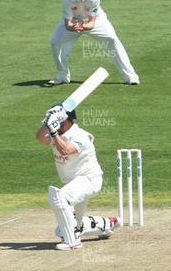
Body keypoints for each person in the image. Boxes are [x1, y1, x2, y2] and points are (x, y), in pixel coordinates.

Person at [36, 103, 120, 250]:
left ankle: (72, 242)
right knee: (67, 227)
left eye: (58, 121)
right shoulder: (57, 132)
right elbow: (40, 138)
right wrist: (46, 123)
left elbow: (66, 150)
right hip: (72, 182)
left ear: (67, 120)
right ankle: (107, 223)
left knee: (60, 198)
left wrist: (54, 133)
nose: (55, 126)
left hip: (89, 179)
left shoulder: (81, 135)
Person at [49, 0, 140, 85]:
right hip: (74, 20)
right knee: (56, 42)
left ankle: (130, 77)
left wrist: (84, 26)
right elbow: (68, 24)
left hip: (95, 20)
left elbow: (92, 23)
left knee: (112, 39)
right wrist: (74, 27)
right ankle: (62, 76)